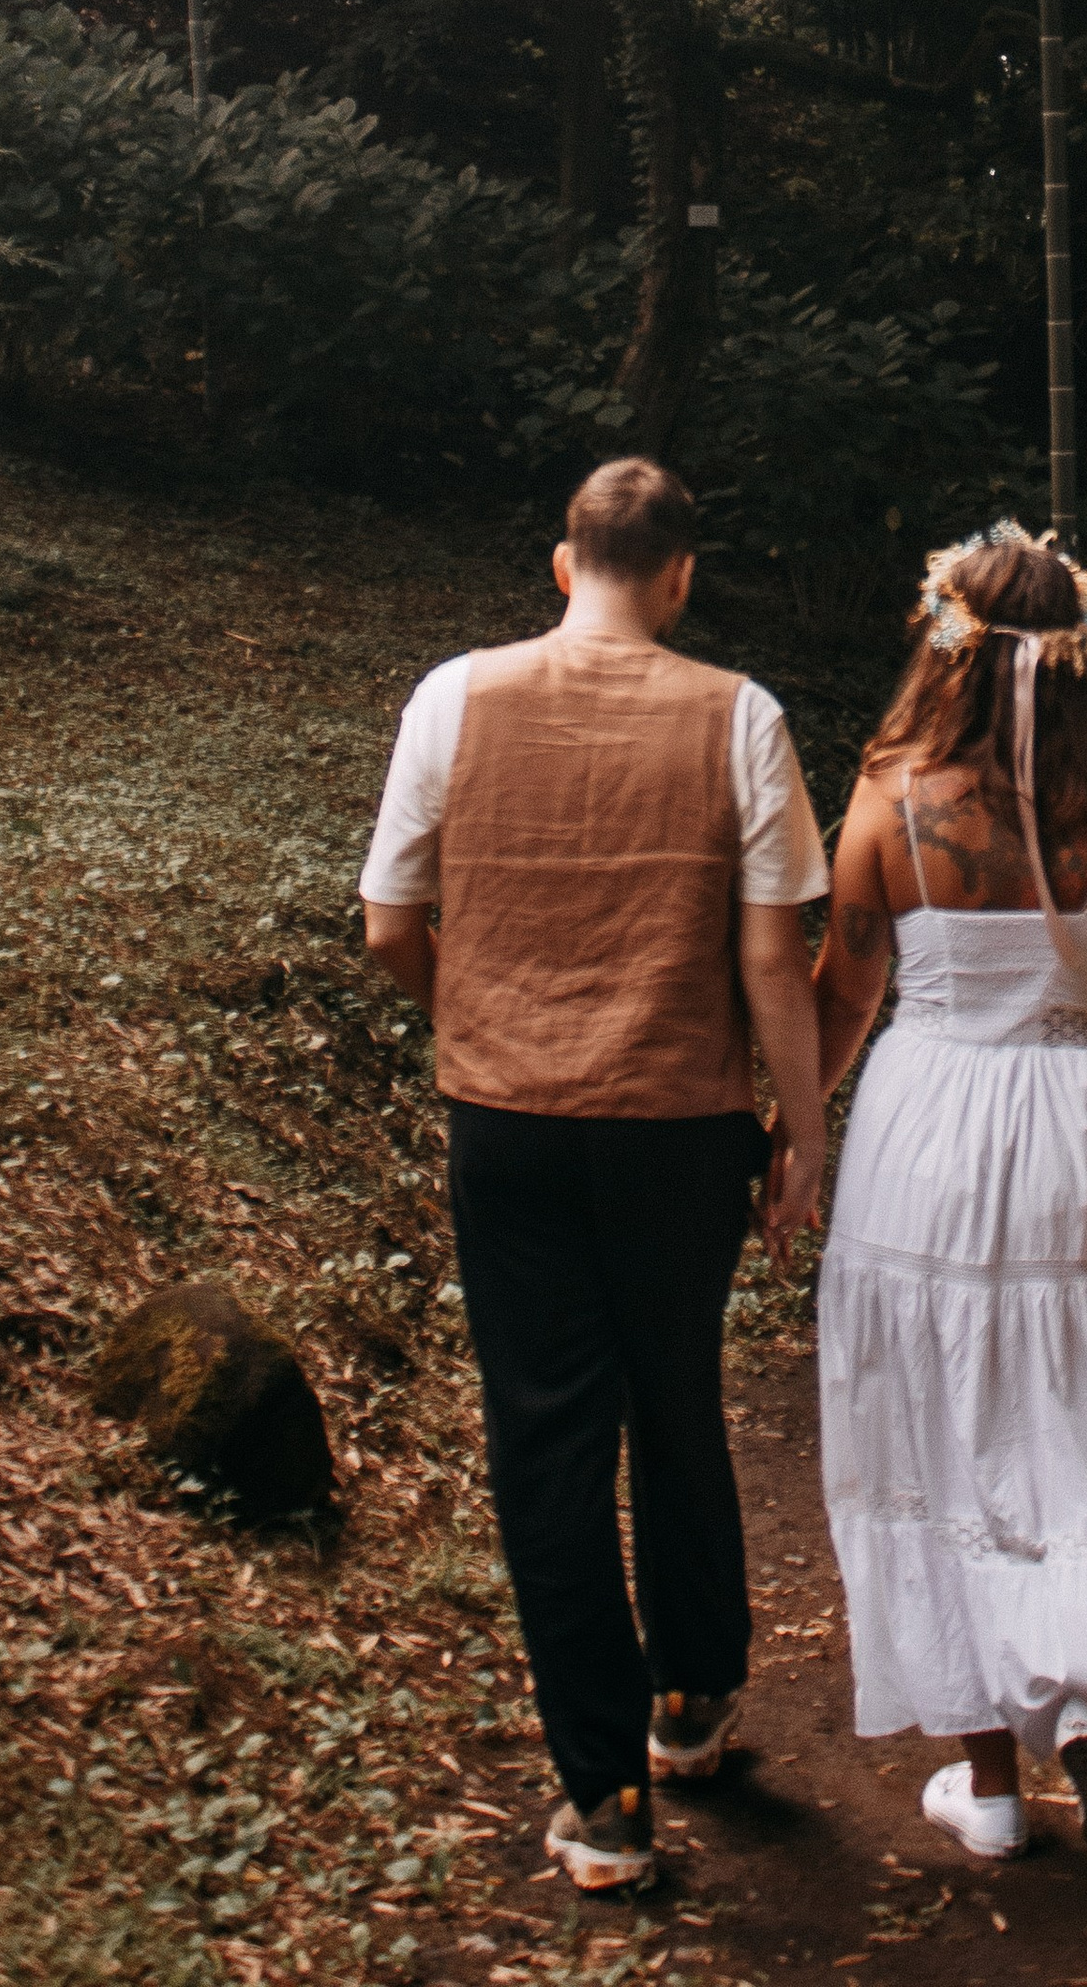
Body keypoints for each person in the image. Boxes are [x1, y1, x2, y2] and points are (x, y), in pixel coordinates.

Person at [359, 456, 829, 1895]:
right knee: (676, 1395)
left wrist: (481, 1017)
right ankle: (692, 1699)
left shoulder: (455, 696)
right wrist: (802, 1134)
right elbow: (769, 959)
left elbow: (388, 923)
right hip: (682, 1128)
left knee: (546, 1438)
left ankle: (601, 1795)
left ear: (564, 566)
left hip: (507, 1122)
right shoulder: (740, 717)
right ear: (680, 576)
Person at [806, 523, 1087, 1865]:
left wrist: (788, 1134)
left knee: (938, 1416)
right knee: (1070, 1402)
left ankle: (989, 1781)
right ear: (1084, 657)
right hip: (1076, 1124)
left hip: (925, 1124)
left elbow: (844, 994)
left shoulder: (895, 797)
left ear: (941, 642)